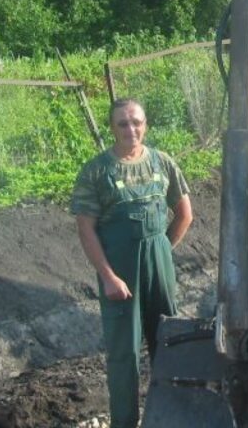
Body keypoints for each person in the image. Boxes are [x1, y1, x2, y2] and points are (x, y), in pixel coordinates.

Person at [70, 98, 193, 428]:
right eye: (122, 124)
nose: (131, 129)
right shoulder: (96, 171)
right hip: (121, 273)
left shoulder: (162, 163)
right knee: (124, 355)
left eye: (136, 122)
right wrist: (108, 276)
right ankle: (124, 422)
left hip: (160, 268)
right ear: (112, 128)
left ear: (146, 124)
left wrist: (163, 250)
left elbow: (185, 214)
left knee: (167, 344)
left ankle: (169, 418)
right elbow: (86, 229)